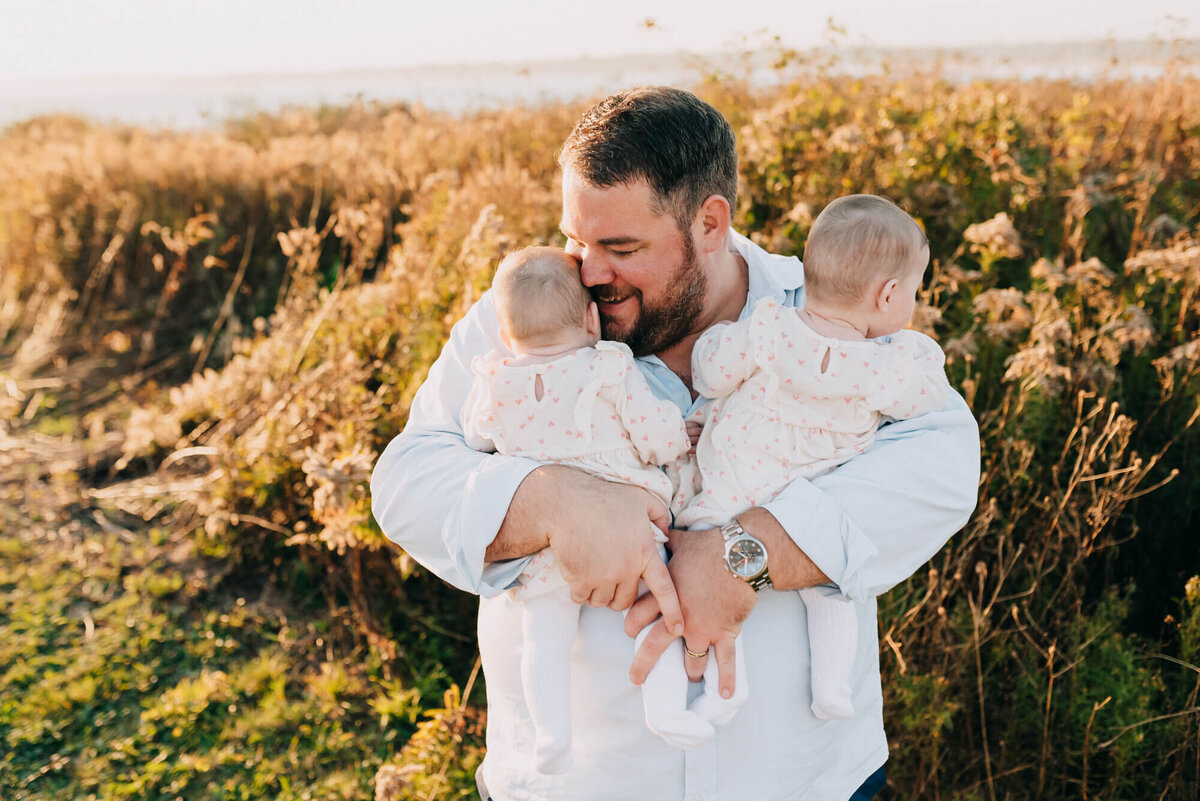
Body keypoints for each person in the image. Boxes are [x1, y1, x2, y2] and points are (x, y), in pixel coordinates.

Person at [371, 86, 981, 801]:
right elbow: (407, 479)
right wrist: (553, 504)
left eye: (621, 247)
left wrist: (747, 555)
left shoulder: (816, 308)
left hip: (804, 782)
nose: (589, 272)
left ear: (710, 223)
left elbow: (943, 460)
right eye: (578, 239)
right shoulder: (524, 311)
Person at [674, 194, 951, 723]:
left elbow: (711, 374)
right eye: (914, 290)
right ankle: (832, 688)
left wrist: (715, 352)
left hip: (734, 484)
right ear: (889, 294)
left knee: (699, 561)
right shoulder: (884, 366)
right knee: (833, 587)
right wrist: (918, 354)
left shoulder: (767, 327)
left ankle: (721, 692)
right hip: (806, 499)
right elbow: (928, 399)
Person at [460, 245, 736, 773]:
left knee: (542, 638)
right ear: (592, 318)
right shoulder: (609, 366)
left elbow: (477, 433)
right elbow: (651, 433)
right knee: (662, 612)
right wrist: (680, 438)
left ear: (505, 331)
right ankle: (666, 708)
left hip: (545, 557)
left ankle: (551, 736)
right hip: (635, 525)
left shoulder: (497, 379)